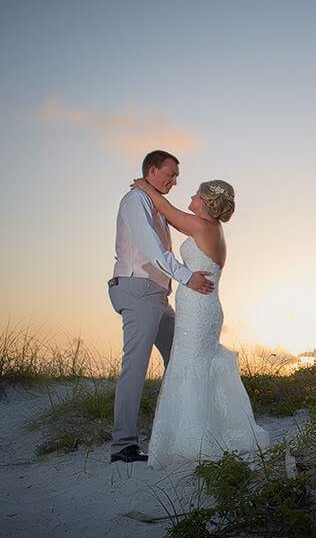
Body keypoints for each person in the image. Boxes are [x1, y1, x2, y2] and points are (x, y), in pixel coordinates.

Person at [129, 176, 271, 468]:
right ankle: (196, 436)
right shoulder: (207, 228)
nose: (190, 195)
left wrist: (145, 186)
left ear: (205, 202)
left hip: (198, 308)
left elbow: (166, 210)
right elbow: (173, 220)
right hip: (203, 307)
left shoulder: (203, 226)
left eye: (196, 194)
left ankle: (196, 443)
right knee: (194, 365)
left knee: (189, 366)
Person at [108, 150, 215, 463]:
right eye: (170, 174)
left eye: (177, 176)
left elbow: (179, 219)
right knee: (135, 368)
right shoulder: (134, 202)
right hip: (138, 289)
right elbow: (152, 249)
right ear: (152, 171)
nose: (175, 180)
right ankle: (123, 446)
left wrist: (152, 191)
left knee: (181, 358)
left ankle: (180, 431)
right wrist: (186, 277)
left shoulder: (151, 200)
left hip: (156, 296)